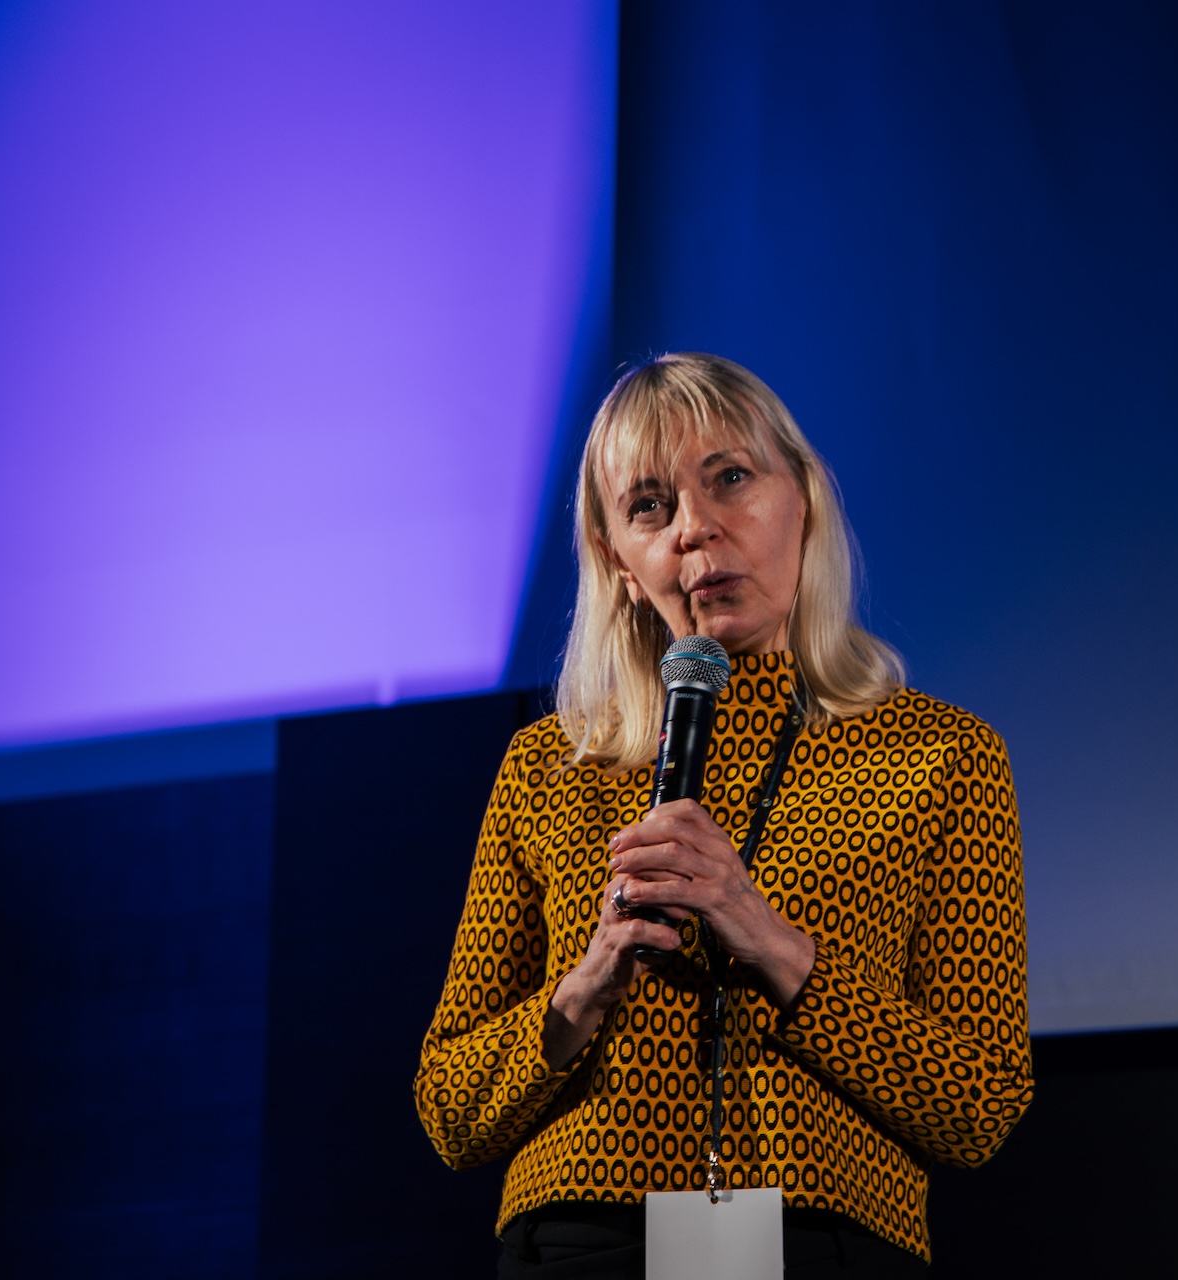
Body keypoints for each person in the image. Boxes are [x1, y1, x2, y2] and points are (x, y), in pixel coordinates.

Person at [415, 353, 1032, 1277]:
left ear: (803, 502)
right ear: (620, 563)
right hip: (581, 1244)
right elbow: (449, 1112)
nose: (695, 528)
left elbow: (980, 1104)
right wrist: (581, 991)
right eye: (649, 505)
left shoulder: (940, 756)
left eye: (731, 479)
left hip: (823, 1239)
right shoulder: (549, 767)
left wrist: (769, 940)